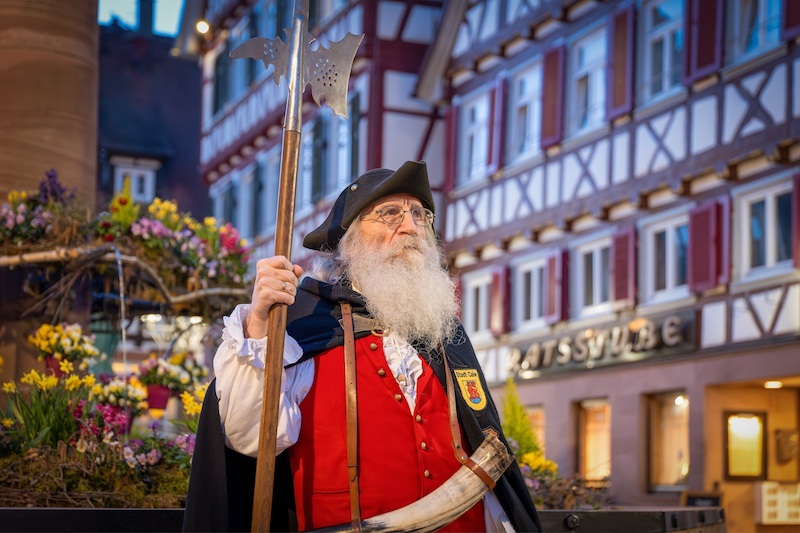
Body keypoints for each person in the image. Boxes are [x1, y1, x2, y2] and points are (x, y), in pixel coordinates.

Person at [183, 161, 542, 532]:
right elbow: (249, 439)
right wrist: (259, 325)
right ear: (348, 243)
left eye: (419, 214)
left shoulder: (442, 332)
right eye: (389, 213)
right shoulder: (300, 325)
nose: (410, 226)